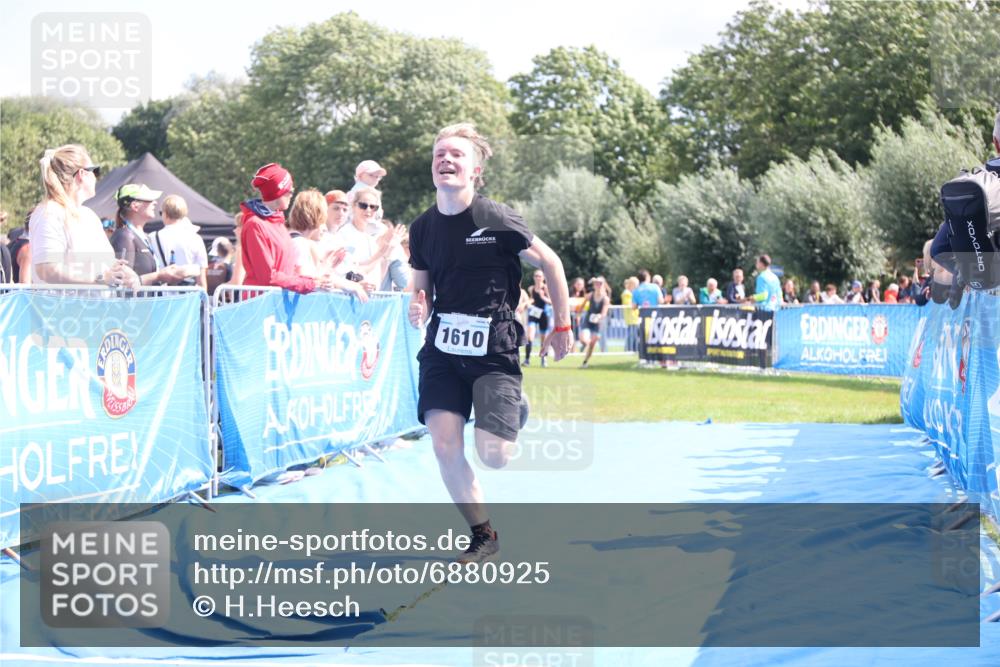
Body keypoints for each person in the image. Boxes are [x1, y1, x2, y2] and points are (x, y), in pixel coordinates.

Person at [406, 123, 572, 563]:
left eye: (456, 154)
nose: (446, 159)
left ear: (475, 170)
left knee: (494, 457)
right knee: (444, 444)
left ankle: (513, 408)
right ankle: (483, 535)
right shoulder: (423, 228)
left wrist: (562, 326)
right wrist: (417, 307)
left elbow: (551, 263)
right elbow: (420, 288)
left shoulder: (494, 218)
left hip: (493, 348)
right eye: (439, 153)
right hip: (442, 349)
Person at [29, 144, 138, 287]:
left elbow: (106, 265)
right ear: (82, 174)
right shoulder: (49, 213)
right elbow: (47, 269)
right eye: (95, 171)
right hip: (60, 308)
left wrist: (126, 274)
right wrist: (100, 278)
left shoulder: (89, 215)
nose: (97, 178)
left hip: (96, 307)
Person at [240, 162, 327, 293]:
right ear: (278, 192)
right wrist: (310, 284)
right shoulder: (255, 225)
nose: (292, 194)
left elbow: (288, 271)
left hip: (277, 303)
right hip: (260, 305)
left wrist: (315, 280)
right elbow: (268, 277)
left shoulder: (278, 223)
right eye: (290, 191)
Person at [287, 189, 370, 301]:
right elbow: (306, 280)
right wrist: (326, 268)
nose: (324, 225)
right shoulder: (299, 243)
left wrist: (329, 270)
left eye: (345, 210)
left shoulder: (302, 242)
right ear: (317, 215)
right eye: (325, 213)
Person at [110, 184, 190, 286]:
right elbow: (123, 282)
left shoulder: (144, 236)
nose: (155, 203)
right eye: (149, 199)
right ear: (135, 206)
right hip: (136, 302)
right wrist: (159, 275)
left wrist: (165, 275)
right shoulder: (124, 236)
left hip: (148, 301)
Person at [335, 186, 404, 287]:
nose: (368, 210)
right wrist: (382, 252)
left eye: (373, 207)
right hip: (350, 296)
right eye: (363, 205)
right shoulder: (344, 234)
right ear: (353, 206)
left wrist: (388, 251)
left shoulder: (376, 234)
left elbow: (379, 275)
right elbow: (352, 272)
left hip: (372, 296)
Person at [152, 195, 208, 289]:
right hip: (188, 295)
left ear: (165, 214)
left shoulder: (152, 237)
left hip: (161, 293)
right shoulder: (195, 238)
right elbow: (201, 277)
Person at [579, 277, 610, 369]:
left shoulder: (605, 299)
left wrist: (599, 317)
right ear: (594, 285)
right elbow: (582, 306)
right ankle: (585, 344)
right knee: (584, 340)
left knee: (592, 344)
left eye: (600, 283)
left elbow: (604, 313)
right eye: (596, 283)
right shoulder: (590, 295)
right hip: (588, 321)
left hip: (598, 323)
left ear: (603, 285)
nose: (598, 285)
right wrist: (578, 314)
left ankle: (585, 362)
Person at [523, 269, 551, 367]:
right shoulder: (531, 288)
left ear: (543, 278)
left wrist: (543, 297)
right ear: (534, 277)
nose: (538, 278)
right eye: (536, 276)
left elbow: (551, 301)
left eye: (539, 276)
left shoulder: (546, 288)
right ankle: (527, 360)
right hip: (534, 313)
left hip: (544, 314)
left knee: (543, 339)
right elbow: (532, 299)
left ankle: (544, 358)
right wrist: (526, 303)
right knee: (530, 336)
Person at [7, 217, 31, 284]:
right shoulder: (28, 249)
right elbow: (25, 284)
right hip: (19, 293)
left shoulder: (13, 243)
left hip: (10, 292)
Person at [622, 276, 640, 352]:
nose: (637, 287)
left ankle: (632, 350)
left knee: (634, 336)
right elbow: (629, 304)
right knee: (631, 336)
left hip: (634, 318)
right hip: (631, 318)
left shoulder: (631, 293)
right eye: (636, 285)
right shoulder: (627, 293)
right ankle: (628, 350)